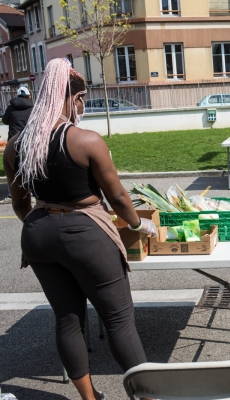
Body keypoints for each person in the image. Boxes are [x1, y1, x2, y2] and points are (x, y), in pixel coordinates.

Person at [2, 58, 158, 400]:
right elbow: (117, 197)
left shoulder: (16, 145)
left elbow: (19, 203)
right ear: (72, 98)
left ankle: (89, 399)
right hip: (86, 233)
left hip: (38, 234)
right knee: (118, 319)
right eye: (82, 98)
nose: (83, 105)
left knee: (67, 318)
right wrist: (138, 224)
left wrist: (45, 223)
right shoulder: (85, 140)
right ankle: (146, 396)